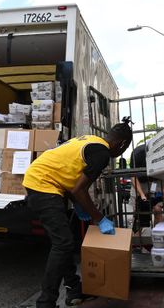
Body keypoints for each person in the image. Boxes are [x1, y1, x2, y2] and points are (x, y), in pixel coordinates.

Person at [22, 117, 133, 308]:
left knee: (64, 241)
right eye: (124, 148)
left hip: (43, 181)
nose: (121, 152)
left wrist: (80, 205)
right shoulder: (102, 154)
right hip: (43, 184)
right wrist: (100, 218)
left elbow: (72, 182)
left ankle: (74, 290)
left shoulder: (90, 140)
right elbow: (79, 190)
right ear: (121, 144)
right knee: (63, 244)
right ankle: (45, 303)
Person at [129, 143, 164, 232]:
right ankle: (137, 239)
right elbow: (133, 176)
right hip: (140, 182)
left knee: (158, 209)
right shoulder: (137, 154)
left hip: (157, 180)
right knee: (139, 210)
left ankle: (159, 235)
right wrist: (141, 194)